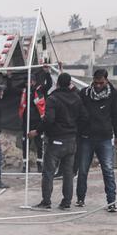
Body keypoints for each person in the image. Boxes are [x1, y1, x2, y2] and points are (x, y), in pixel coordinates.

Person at [31, 72, 87, 210]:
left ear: (57, 83)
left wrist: (37, 131)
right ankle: (66, 202)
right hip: (71, 141)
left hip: (56, 140)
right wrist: (75, 129)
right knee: (68, 174)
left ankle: (46, 202)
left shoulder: (53, 98)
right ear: (69, 84)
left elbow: (49, 119)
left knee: (48, 172)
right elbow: (84, 117)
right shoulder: (77, 98)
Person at [76, 69, 117, 212]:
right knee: (83, 170)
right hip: (86, 137)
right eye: (95, 83)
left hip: (105, 138)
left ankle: (111, 202)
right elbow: (77, 113)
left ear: (106, 81)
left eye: (101, 83)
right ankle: (80, 198)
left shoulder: (113, 93)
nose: (98, 86)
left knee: (108, 170)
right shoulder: (84, 93)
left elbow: (115, 116)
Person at [19, 67, 51, 172]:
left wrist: (47, 73)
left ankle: (39, 164)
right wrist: (9, 77)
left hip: (37, 122)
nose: (28, 83)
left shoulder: (39, 90)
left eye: (30, 81)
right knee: (25, 144)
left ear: (34, 81)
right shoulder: (23, 91)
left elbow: (49, 85)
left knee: (39, 144)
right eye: (27, 81)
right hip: (26, 122)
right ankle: (25, 165)